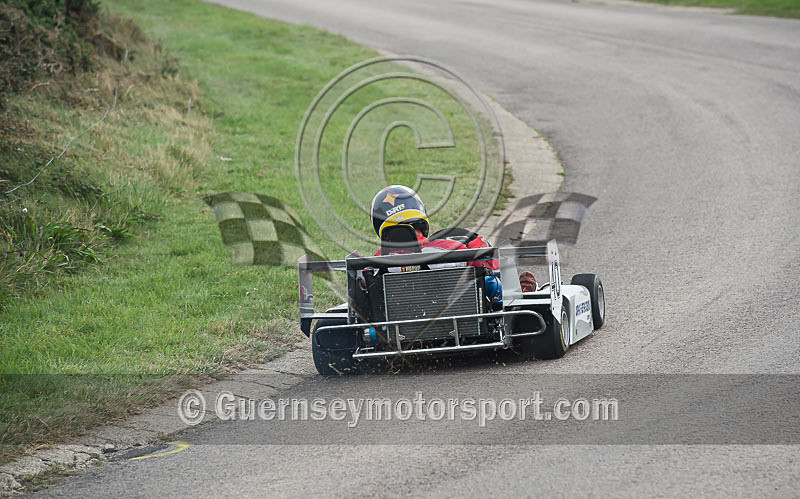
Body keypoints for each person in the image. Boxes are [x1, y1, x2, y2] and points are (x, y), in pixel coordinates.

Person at [369, 185, 537, 296]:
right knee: (491, 280)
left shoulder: (370, 265)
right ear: (419, 212)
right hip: (461, 321)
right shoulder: (452, 248)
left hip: (398, 330)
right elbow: (493, 268)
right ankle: (524, 292)